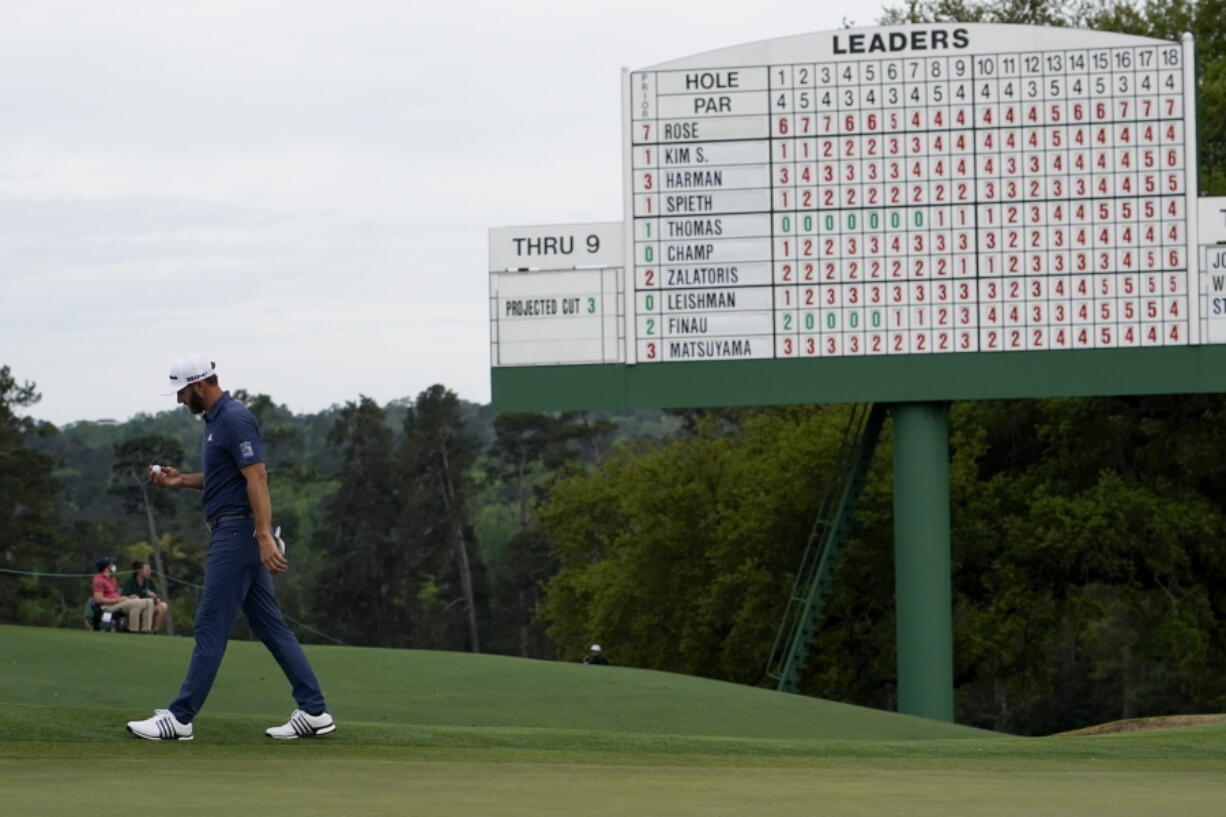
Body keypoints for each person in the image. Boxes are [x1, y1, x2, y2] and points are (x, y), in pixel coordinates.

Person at [125, 356, 334, 742]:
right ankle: (314, 711)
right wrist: (181, 481)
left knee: (210, 624)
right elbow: (225, 478)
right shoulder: (215, 422)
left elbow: (257, 477)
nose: (179, 401)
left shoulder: (234, 418)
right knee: (270, 627)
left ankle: (180, 717)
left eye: (183, 393)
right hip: (236, 532)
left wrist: (264, 535)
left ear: (201, 385)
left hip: (238, 535)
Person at [91, 558, 155, 633]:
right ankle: (133, 630)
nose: (113, 566)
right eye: (111, 564)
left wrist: (128, 598)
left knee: (149, 601)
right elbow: (98, 599)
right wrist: (117, 600)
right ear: (106, 567)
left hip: (118, 603)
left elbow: (114, 595)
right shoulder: (98, 579)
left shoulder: (112, 579)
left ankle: (146, 630)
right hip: (107, 607)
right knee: (137, 602)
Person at [120, 561, 168, 633]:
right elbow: (123, 597)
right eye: (147, 570)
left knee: (163, 606)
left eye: (150, 570)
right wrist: (131, 597)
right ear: (139, 571)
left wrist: (155, 598)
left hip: (148, 606)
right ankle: (132, 627)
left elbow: (157, 600)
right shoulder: (129, 582)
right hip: (134, 607)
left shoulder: (150, 582)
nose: (149, 572)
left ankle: (154, 630)